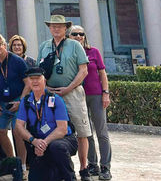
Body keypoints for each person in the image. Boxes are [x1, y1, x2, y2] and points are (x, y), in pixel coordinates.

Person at [37, 14, 92, 181]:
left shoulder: (75, 45)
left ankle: (84, 169)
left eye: (59, 26)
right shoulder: (44, 46)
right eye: (53, 26)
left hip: (73, 93)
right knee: (53, 130)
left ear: (65, 28)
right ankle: (59, 169)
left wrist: (68, 88)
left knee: (82, 131)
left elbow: (84, 70)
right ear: (49, 28)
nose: (56, 28)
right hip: (51, 94)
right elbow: (40, 71)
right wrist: (45, 88)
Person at [15, 67, 78, 181]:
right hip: (38, 142)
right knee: (36, 177)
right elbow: (19, 126)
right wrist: (33, 141)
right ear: (28, 82)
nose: (35, 81)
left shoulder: (55, 99)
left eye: (38, 78)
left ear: (44, 81)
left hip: (63, 140)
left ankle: (70, 177)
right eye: (31, 79)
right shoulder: (25, 101)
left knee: (56, 147)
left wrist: (43, 143)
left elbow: (62, 129)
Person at [69, 25, 112, 180]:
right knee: (86, 132)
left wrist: (105, 93)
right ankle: (92, 164)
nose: (79, 36)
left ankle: (105, 167)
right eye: (75, 34)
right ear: (69, 36)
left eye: (81, 34)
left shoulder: (93, 52)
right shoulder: (69, 53)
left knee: (101, 131)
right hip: (77, 97)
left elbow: (102, 73)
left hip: (95, 95)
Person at [0, 33, 29, 174]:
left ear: (4, 44)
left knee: (18, 132)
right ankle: (13, 162)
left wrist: (21, 102)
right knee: (1, 132)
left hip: (18, 100)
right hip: (1, 103)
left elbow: (28, 84)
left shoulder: (17, 61)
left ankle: (22, 165)